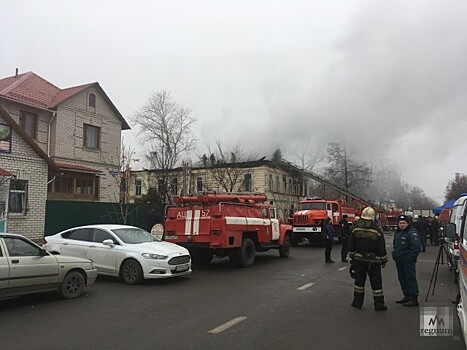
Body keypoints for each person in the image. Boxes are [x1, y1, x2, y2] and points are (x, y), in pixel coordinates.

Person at [349, 207, 388, 311]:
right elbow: (381, 248)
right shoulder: (377, 231)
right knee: (376, 284)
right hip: (374, 262)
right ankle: (379, 304)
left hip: (359, 261)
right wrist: (383, 260)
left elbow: (351, 246)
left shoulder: (355, 229)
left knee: (359, 283)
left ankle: (357, 302)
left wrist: (352, 258)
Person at [392, 214, 422, 307]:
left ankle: (413, 298)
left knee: (410, 278)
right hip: (399, 261)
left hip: (408, 261)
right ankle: (407, 295)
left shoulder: (412, 233)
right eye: (400, 223)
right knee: (402, 278)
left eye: (403, 223)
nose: (402, 225)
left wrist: (409, 258)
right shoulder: (398, 233)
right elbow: (395, 246)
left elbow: (416, 248)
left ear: (408, 224)